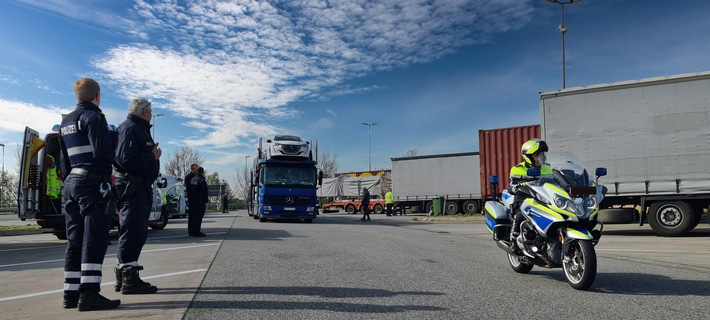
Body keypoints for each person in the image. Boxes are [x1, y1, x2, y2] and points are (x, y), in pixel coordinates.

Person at [57, 78, 120, 311]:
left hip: (71, 182)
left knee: (74, 240)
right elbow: (103, 152)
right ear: (98, 96)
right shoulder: (94, 117)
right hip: (91, 182)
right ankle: (90, 294)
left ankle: (70, 294)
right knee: (95, 239)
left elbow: (63, 160)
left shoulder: (65, 121)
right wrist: (113, 136)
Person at [112, 97, 161, 295]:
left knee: (136, 232)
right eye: (150, 110)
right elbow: (125, 159)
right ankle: (129, 279)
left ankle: (124, 274)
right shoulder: (130, 128)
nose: (151, 113)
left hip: (139, 186)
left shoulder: (137, 128)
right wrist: (153, 156)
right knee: (132, 231)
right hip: (133, 187)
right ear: (144, 112)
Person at [508, 138, 552, 253]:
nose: (541, 157)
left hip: (544, 197)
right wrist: (517, 187)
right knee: (520, 215)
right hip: (524, 198)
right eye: (537, 154)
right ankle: (513, 241)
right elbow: (512, 185)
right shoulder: (518, 169)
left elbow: (557, 181)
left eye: (542, 154)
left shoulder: (547, 168)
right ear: (528, 156)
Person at [188, 167, 208, 236]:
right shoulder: (202, 180)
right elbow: (204, 192)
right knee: (198, 217)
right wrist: (205, 200)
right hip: (199, 201)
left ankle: (191, 231)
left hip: (192, 201)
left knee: (192, 217)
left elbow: (189, 190)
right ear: (202, 172)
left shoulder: (192, 179)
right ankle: (197, 231)